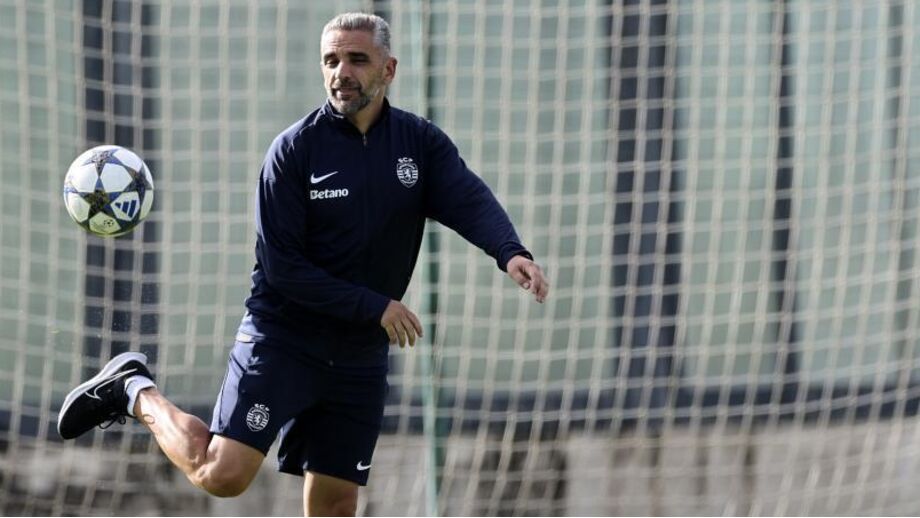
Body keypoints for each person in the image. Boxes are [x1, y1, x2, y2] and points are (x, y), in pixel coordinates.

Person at [57, 12, 549, 516]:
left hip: (358, 354)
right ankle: (132, 389)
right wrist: (374, 305)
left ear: (389, 69)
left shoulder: (419, 144)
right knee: (221, 474)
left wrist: (510, 252)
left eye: (357, 59)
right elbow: (282, 268)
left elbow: (466, 197)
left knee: (335, 505)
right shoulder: (293, 151)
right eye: (331, 61)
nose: (342, 72)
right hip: (285, 338)